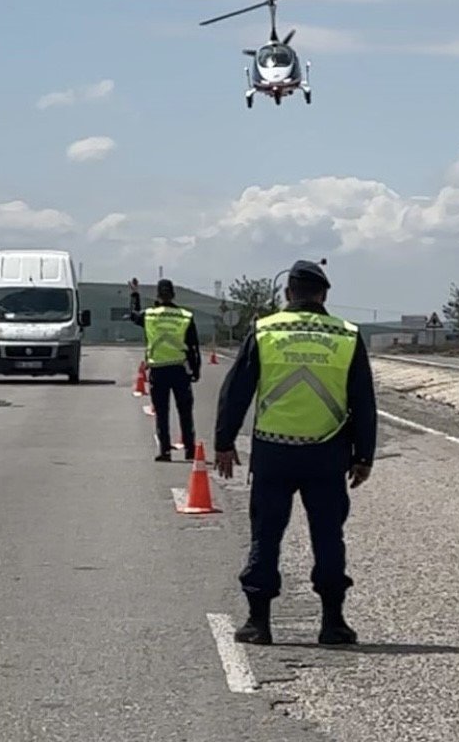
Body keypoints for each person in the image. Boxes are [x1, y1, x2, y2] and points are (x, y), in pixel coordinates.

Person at [214, 260, 377, 646]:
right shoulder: (347, 335)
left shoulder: (264, 330)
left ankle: (258, 623)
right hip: (327, 452)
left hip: (274, 451)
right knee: (328, 536)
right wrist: (364, 456)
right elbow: (363, 400)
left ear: (288, 293)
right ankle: (333, 623)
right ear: (324, 295)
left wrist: (224, 442)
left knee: (266, 534)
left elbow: (237, 391)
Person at [129, 277, 201, 462]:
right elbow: (193, 346)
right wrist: (196, 370)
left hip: (158, 370)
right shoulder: (185, 316)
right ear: (173, 294)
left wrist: (135, 294)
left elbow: (133, 315)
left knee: (162, 412)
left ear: (158, 296)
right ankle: (190, 450)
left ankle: (165, 451)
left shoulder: (150, 315)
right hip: (180, 369)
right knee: (185, 411)